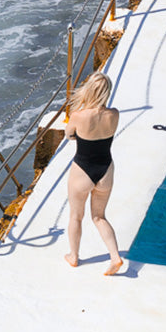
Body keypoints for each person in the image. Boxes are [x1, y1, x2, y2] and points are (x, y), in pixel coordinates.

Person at [64, 71, 124, 275]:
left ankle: (74, 256)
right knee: (99, 217)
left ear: (89, 90)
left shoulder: (78, 116)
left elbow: (69, 134)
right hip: (106, 169)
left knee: (76, 216)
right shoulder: (114, 114)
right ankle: (115, 257)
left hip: (83, 169)